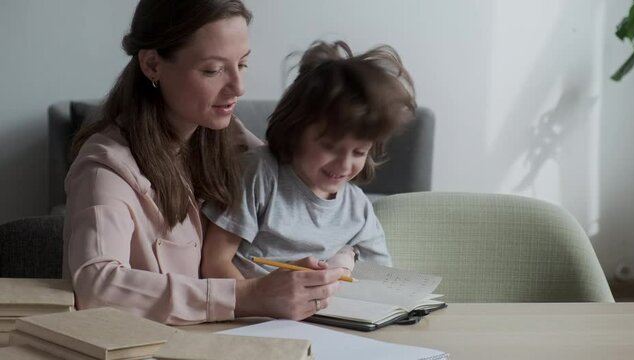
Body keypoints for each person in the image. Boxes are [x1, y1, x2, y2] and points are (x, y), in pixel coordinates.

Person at [63, 0, 346, 325]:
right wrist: (248, 296)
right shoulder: (106, 168)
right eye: (213, 70)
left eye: (242, 65)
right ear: (152, 64)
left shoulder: (233, 140)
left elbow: (290, 186)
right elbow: (95, 284)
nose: (238, 87)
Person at [200, 41, 416, 280]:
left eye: (359, 152)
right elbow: (215, 263)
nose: (344, 165)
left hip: (328, 313)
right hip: (255, 312)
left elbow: (383, 281)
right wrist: (256, 303)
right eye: (329, 147)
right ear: (295, 130)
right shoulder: (258, 174)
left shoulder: (357, 208)